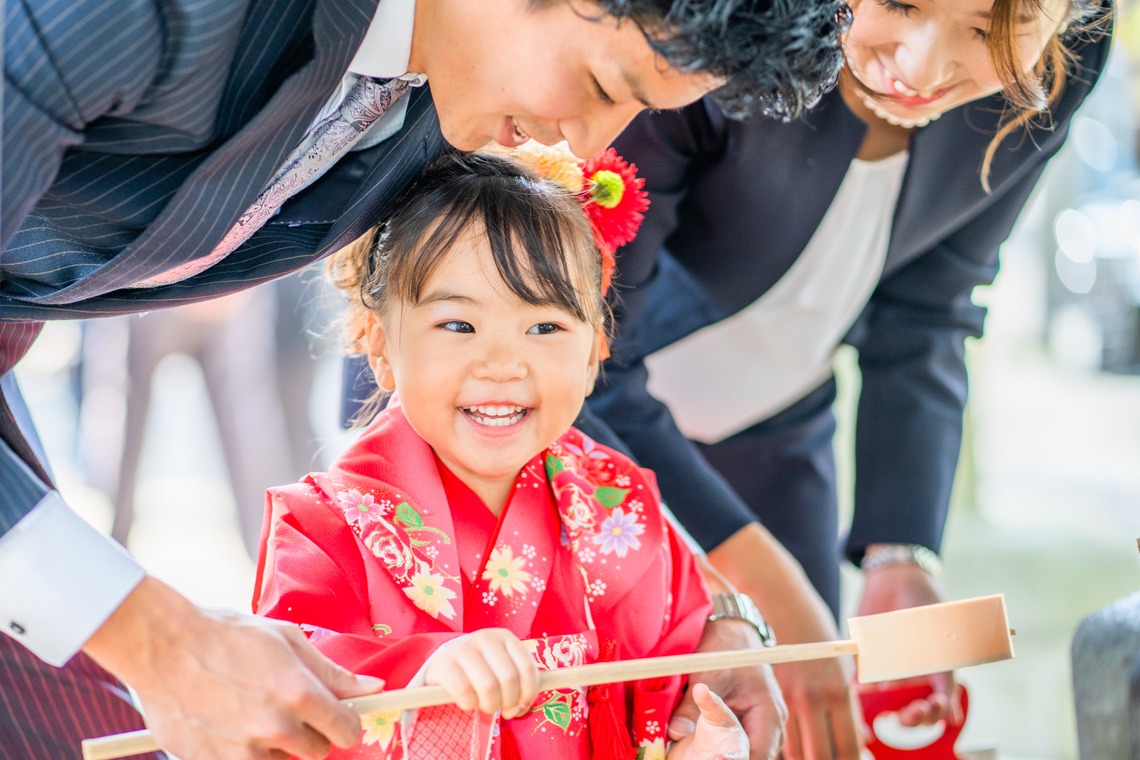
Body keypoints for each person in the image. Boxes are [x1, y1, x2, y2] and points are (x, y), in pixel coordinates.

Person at [0, 1, 846, 757]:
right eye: (599, 82)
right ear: (377, 336)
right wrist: (155, 637)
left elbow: (656, 629)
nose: (584, 142)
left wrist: (718, 632)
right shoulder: (148, 14)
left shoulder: (441, 104)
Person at [581, 0, 1113, 756]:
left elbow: (931, 305)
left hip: (780, 428)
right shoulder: (720, 28)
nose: (923, 71)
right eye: (899, 2)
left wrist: (901, 552)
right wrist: (762, 581)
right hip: (573, 432)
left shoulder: (1062, 69)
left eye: (991, 27)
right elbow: (583, 355)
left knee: (811, 726)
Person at [255, 150, 749, 760]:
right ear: (378, 345)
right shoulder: (321, 529)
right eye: (458, 325)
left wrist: (697, 747)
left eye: (544, 329)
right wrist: (427, 672)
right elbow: (292, 691)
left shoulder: (622, 511)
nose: (501, 365)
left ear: (596, 351)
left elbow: (667, 702)